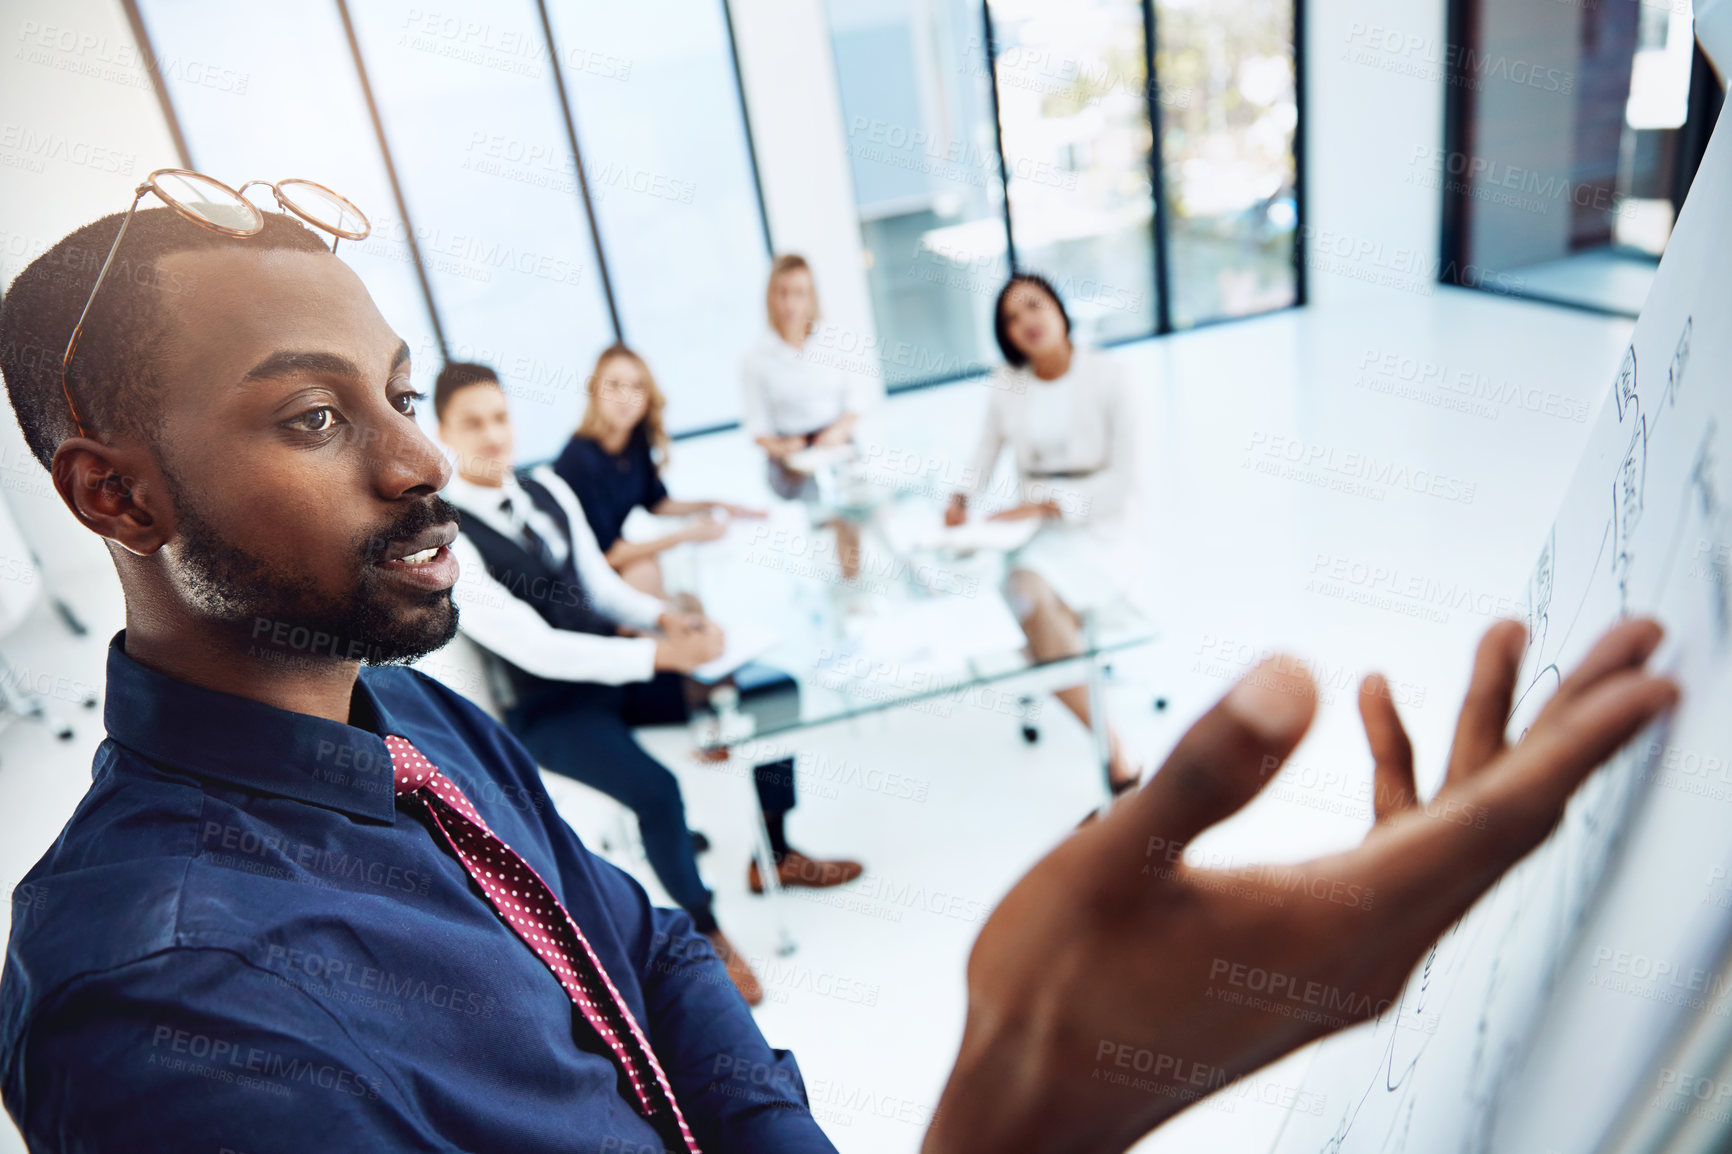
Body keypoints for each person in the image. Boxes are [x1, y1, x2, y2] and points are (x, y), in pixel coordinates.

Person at [0, 194, 1677, 1154]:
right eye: (313, 416)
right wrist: (1009, 1111)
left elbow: (642, 944)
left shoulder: (401, 709)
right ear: (114, 493)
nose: (425, 458)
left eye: (398, 386)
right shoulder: (170, 1019)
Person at [434, 359, 862, 1005]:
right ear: (443, 431)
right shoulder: (451, 539)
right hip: (550, 710)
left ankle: (773, 851)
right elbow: (537, 648)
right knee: (659, 794)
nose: (493, 435)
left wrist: (670, 620)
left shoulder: (549, 489)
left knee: (773, 689)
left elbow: (602, 587)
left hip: (617, 671)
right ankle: (708, 932)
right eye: (473, 423)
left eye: (500, 417)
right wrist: (659, 658)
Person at [946, 272, 1146, 804]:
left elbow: (1125, 483)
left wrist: (1052, 503)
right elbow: (984, 451)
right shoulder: (1008, 383)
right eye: (1011, 318)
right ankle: (1114, 745)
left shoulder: (1110, 375)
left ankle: (1060, 668)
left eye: (1033, 306)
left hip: (1101, 526)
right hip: (1035, 533)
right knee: (1025, 596)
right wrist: (962, 498)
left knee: (1041, 631)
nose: (1025, 322)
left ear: (1058, 307)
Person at [554, 342, 764, 600]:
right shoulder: (579, 458)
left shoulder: (634, 440)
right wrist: (688, 535)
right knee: (647, 572)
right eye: (615, 385)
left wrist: (715, 504)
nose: (626, 398)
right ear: (595, 391)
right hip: (573, 577)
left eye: (637, 387)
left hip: (612, 565)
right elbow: (609, 554)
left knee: (684, 599)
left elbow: (656, 502)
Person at [740, 254, 876, 580]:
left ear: (811, 297)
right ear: (770, 297)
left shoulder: (834, 342)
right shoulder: (755, 359)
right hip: (791, 460)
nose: (790, 302)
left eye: (799, 292)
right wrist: (782, 449)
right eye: (782, 292)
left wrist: (839, 432)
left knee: (853, 512)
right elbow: (756, 427)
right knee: (820, 516)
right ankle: (831, 584)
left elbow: (857, 400)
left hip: (837, 445)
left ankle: (853, 585)